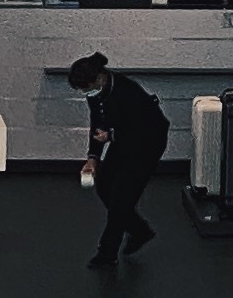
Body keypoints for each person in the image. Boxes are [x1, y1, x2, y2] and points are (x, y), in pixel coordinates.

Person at [69, 50, 169, 269]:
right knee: (104, 185)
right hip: (123, 139)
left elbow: (144, 129)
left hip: (148, 143)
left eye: (85, 88)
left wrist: (111, 136)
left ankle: (107, 253)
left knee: (122, 199)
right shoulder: (96, 93)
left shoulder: (127, 92)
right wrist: (93, 158)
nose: (84, 93)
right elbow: (98, 125)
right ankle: (139, 230)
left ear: (97, 79)